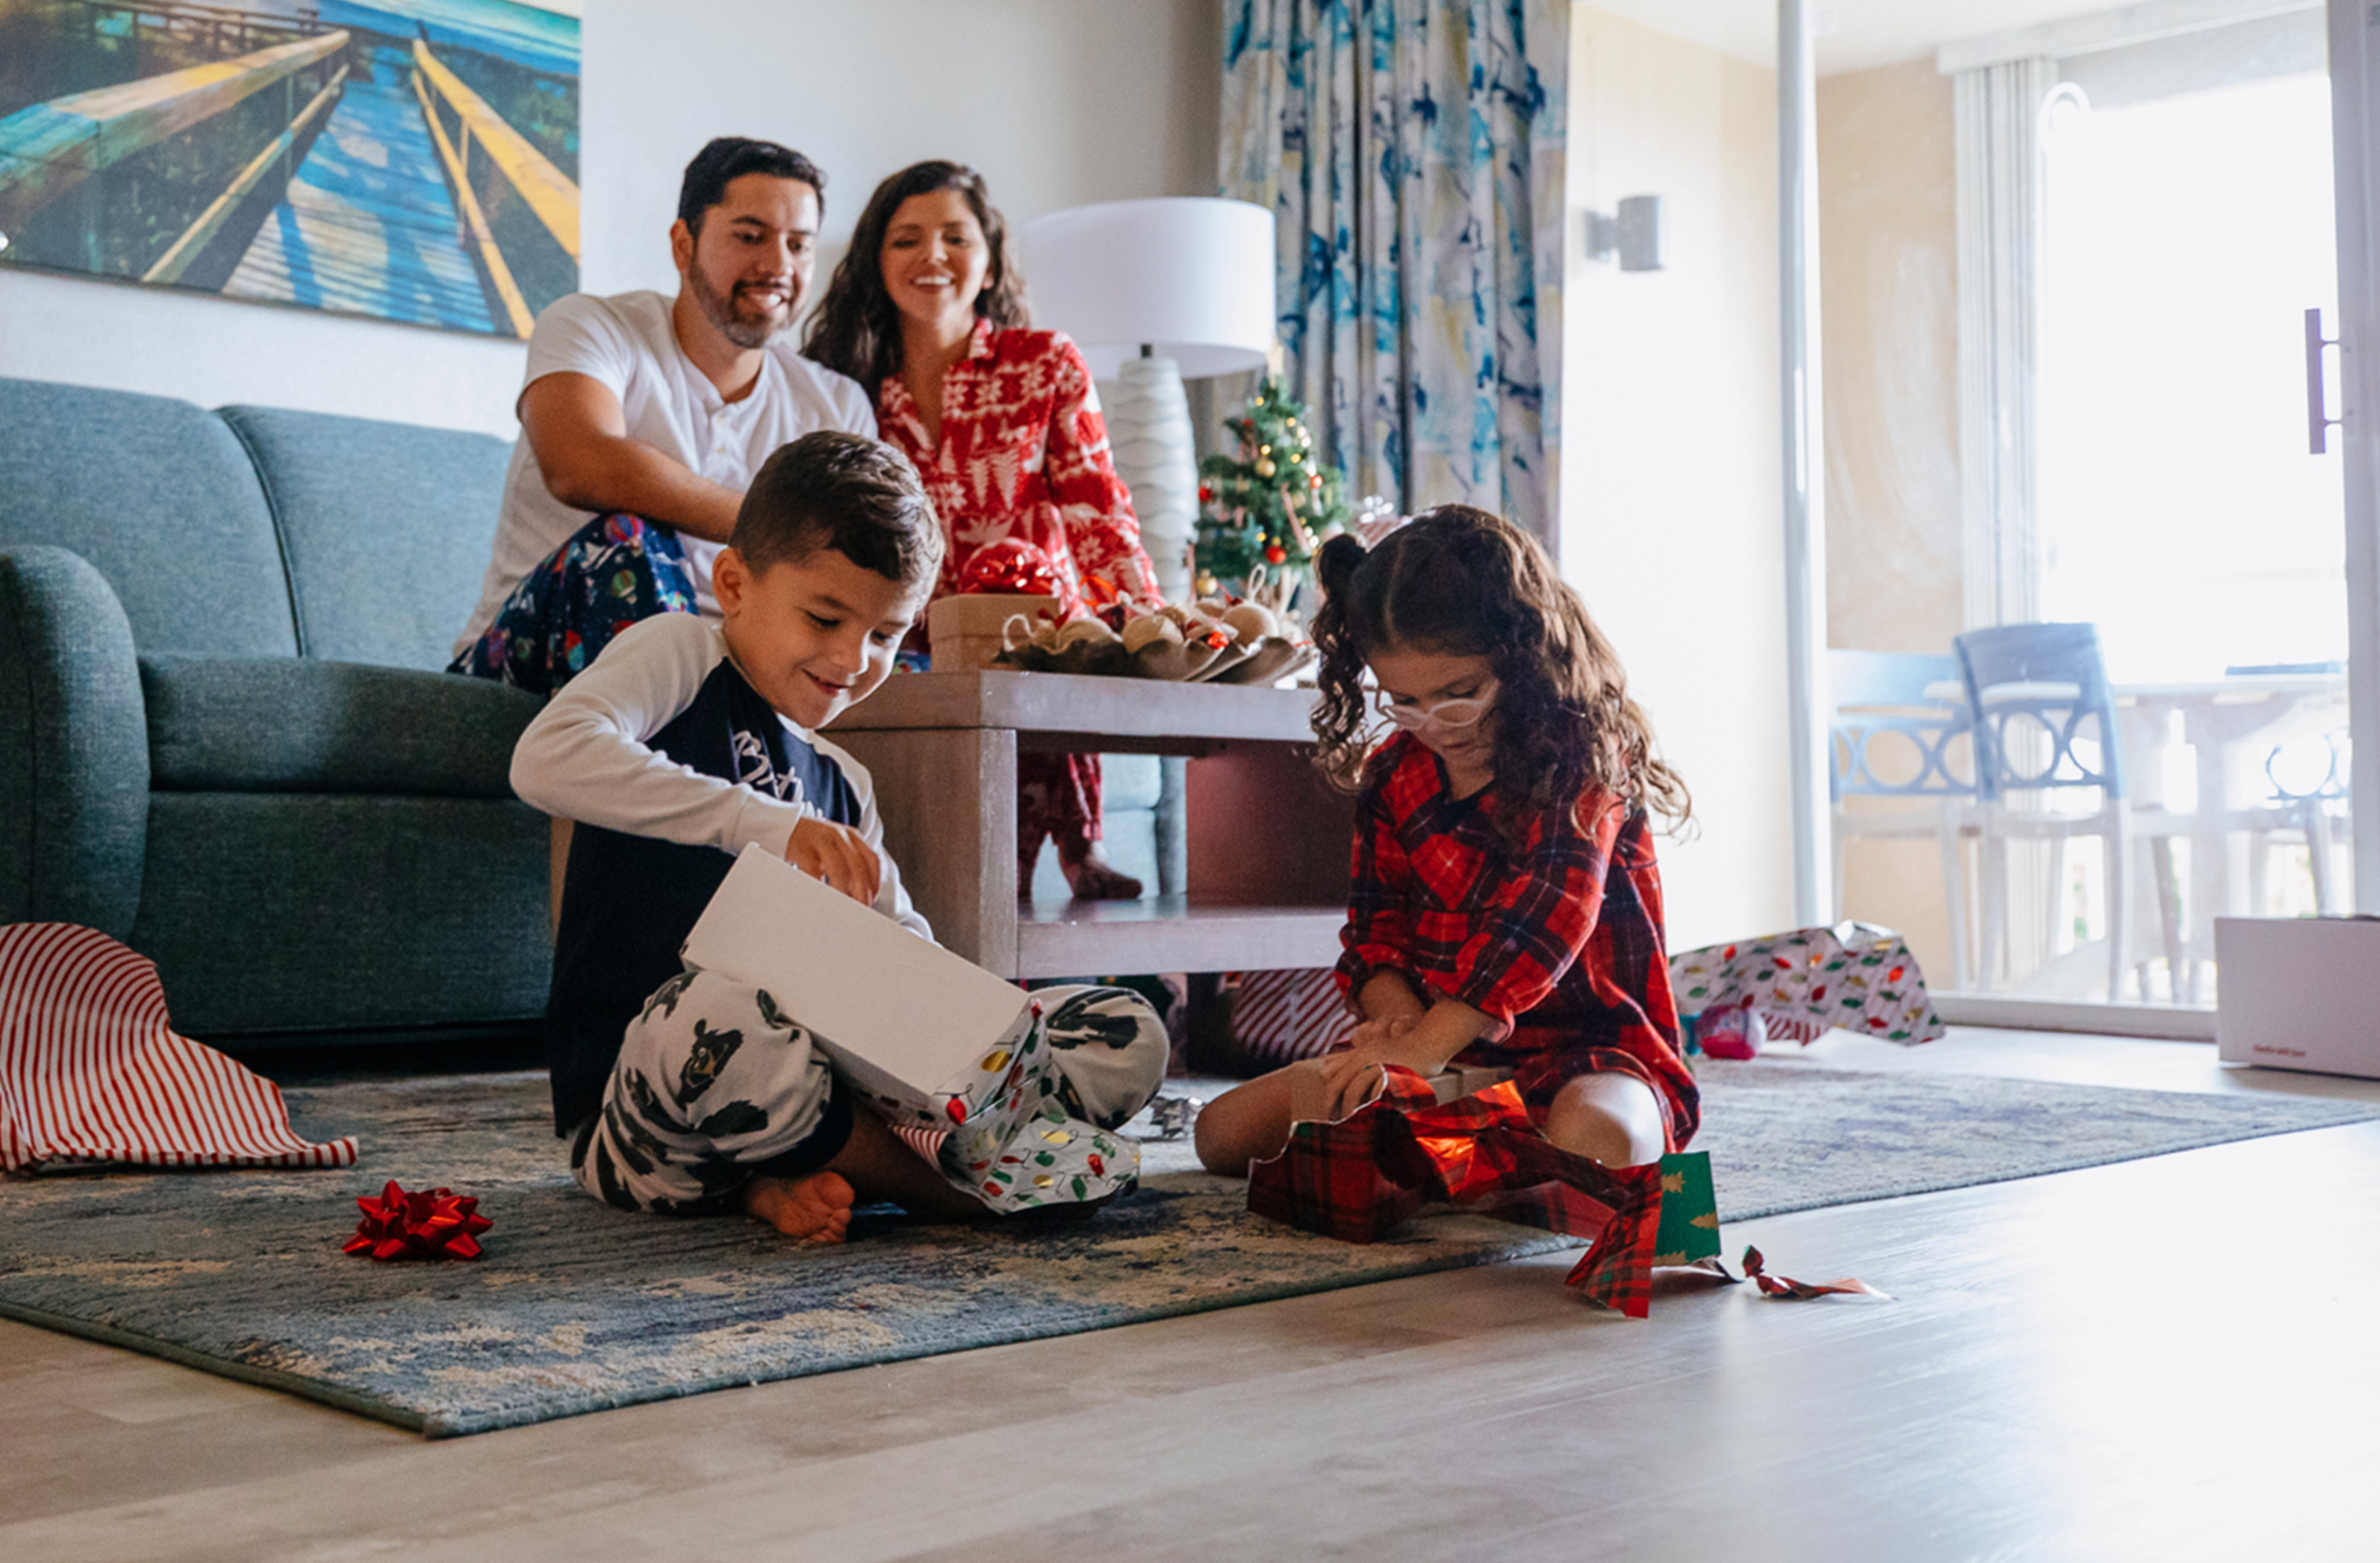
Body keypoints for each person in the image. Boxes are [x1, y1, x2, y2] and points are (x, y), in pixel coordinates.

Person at [508, 432, 1170, 1243]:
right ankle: (941, 1187)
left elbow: (903, 957)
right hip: (647, 1107)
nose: (854, 659)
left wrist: (981, 1030)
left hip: (823, 1092)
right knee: (716, 1014)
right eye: (825, 617)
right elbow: (544, 758)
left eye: (887, 635)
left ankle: (805, 1171)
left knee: (1122, 1027)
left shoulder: (844, 782)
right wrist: (764, 824)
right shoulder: (682, 654)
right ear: (735, 584)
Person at [1191, 507, 1701, 1177]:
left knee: (1599, 1137)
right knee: (1220, 1134)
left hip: (1592, 1057)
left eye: (1459, 694)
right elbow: (1376, 937)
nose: (1435, 724)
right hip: (1450, 1060)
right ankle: (1473, 1159)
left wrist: (1424, 1045)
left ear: (1523, 657)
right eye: (1404, 699)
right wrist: (1400, 1033)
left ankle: (1469, 1160)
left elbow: (1546, 919)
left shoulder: (1582, 760)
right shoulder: (1394, 773)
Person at [803, 159, 1158, 899]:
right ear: (877, 260)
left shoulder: (1045, 365)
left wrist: (1148, 631)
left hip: (1030, 636)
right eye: (907, 239)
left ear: (990, 256)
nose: (932, 256)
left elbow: (1098, 508)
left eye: (955, 237)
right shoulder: (845, 387)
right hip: (903, 646)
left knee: (1030, 645)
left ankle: (1073, 857)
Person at [450, 138, 876, 694]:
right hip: (531, 657)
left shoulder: (836, 403)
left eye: (799, 245)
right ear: (684, 244)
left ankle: (725, 747)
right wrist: (785, 526)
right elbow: (579, 463)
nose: (778, 265)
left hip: (730, 671)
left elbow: (855, 559)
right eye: (750, 237)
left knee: (899, 668)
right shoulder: (591, 327)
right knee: (629, 541)